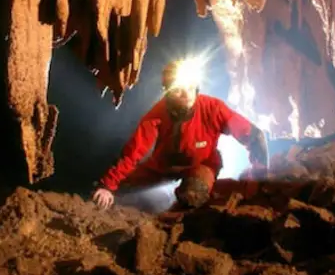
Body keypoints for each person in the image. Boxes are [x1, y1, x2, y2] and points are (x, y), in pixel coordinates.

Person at [91, 57, 269, 212]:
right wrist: (108, 186)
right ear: (168, 91)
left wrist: (258, 178)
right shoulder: (157, 114)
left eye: (191, 87)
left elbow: (254, 136)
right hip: (162, 167)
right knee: (122, 189)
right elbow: (133, 153)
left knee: (193, 193)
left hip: (201, 165)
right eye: (178, 89)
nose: (186, 94)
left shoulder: (213, 109)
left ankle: (179, 217)